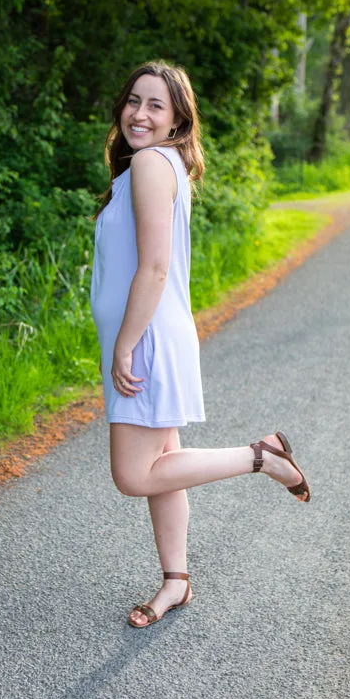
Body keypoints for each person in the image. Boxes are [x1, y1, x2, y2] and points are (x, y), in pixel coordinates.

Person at [90, 61, 310, 629]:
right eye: (133, 100)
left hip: (146, 339)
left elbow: (156, 268)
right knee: (165, 465)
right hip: (154, 334)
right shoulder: (159, 166)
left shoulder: (149, 164)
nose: (140, 114)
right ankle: (176, 583)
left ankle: (262, 457)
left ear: (177, 119)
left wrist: (124, 345)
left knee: (134, 475)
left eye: (156, 105)